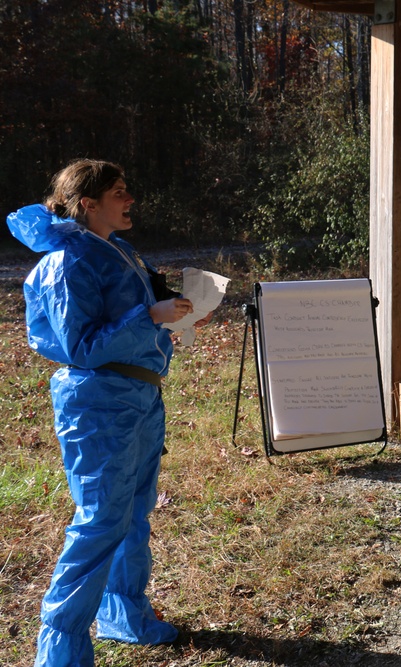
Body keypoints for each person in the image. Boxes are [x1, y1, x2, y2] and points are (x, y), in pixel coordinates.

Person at [6, 160, 211, 666]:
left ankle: (125, 616)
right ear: (87, 204)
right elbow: (80, 344)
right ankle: (61, 650)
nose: (130, 199)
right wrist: (149, 317)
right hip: (98, 406)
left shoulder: (115, 249)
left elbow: (125, 317)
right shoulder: (67, 263)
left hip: (138, 398)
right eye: (119, 192)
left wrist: (170, 313)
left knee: (132, 516)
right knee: (100, 520)